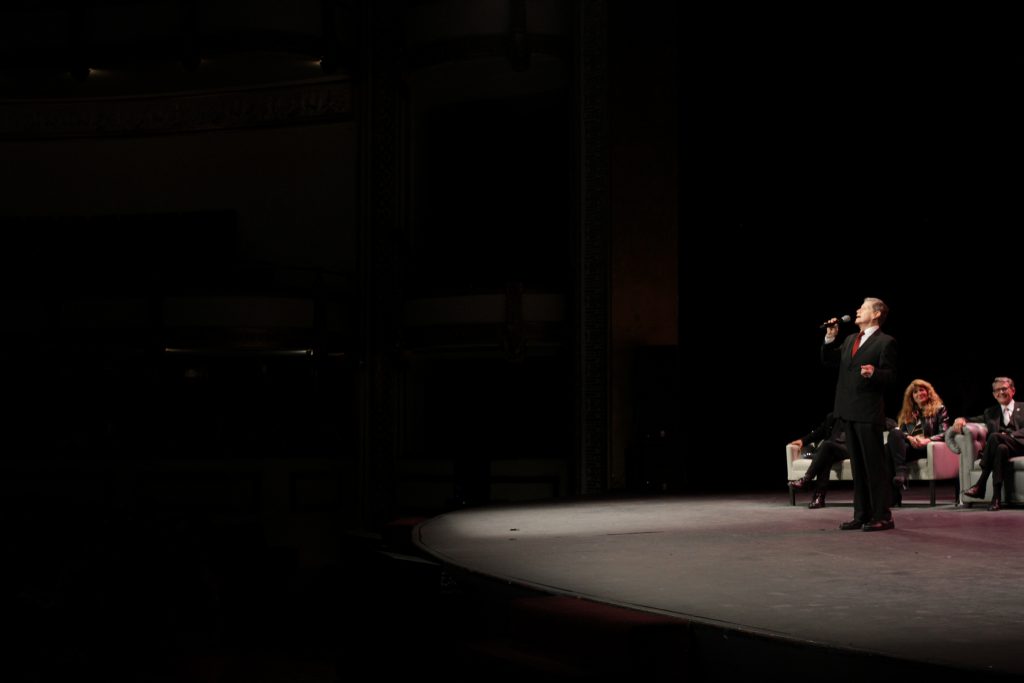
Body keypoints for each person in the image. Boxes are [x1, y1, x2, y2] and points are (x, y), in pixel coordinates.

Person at [822, 297, 897, 532]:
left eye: (863, 308)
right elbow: (829, 360)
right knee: (858, 467)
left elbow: (891, 376)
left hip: (868, 412)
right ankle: (862, 514)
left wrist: (875, 373)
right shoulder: (850, 340)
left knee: (874, 466)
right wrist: (830, 338)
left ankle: (883, 516)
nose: (857, 310)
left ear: (876, 314)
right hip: (848, 410)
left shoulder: (885, 342)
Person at [952, 377, 1024, 511]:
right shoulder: (990, 412)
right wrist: (961, 419)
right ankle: (996, 498)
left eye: (1004, 389)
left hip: (1020, 445)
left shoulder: (1023, 407)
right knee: (1000, 449)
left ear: (1013, 391)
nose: (1000, 392)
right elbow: (974, 419)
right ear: (994, 394)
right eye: (997, 390)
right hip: (1003, 448)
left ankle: (981, 483)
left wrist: (1010, 436)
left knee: (995, 437)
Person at [887, 379, 950, 503]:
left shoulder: (939, 409)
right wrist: (909, 438)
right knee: (893, 434)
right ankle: (900, 474)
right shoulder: (907, 413)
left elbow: (945, 433)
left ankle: (894, 492)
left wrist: (928, 440)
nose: (919, 394)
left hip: (928, 448)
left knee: (888, 450)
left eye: (921, 390)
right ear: (912, 397)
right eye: (915, 392)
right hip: (911, 447)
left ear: (928, 392)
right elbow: (901, 432)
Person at [787, 413, 847, 509]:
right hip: (831, 449)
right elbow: (820, 431)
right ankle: (818, 499)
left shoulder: (854, 416)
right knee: (826, 458)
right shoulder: (833, 416)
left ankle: (806, 480)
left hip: (847, 449)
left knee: (826, 445)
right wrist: (803, 440)